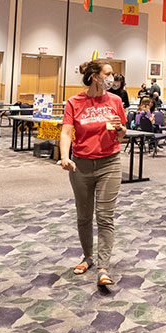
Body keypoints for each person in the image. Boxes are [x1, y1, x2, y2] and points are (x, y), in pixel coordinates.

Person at [59, 59, 126, 286]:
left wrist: (120, 128)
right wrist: (65, 156)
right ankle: (87, 256)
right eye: (107, 74)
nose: (111, 77)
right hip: (81, 165)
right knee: (84, 215)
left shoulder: (115, 101)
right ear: (95, 76)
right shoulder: (74, 102)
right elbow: (67, 132)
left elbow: (121, 135)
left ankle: (103, 267)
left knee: (105, 216)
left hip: (110, 163)